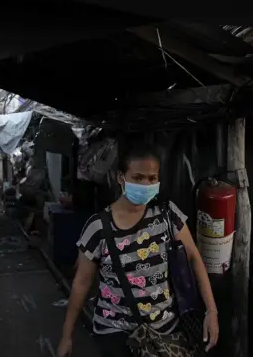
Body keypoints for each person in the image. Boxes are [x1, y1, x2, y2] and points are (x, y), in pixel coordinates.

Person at [57, 143, 219, 357]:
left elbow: (195, 259)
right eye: (138, 177)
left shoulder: (168, 215)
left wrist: (212, 311)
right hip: (114, 333)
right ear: (120, 178)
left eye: (152, 178)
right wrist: (66, 336)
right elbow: (81, 283)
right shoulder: (98, 227)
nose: (145, 184)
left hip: (165, 329)